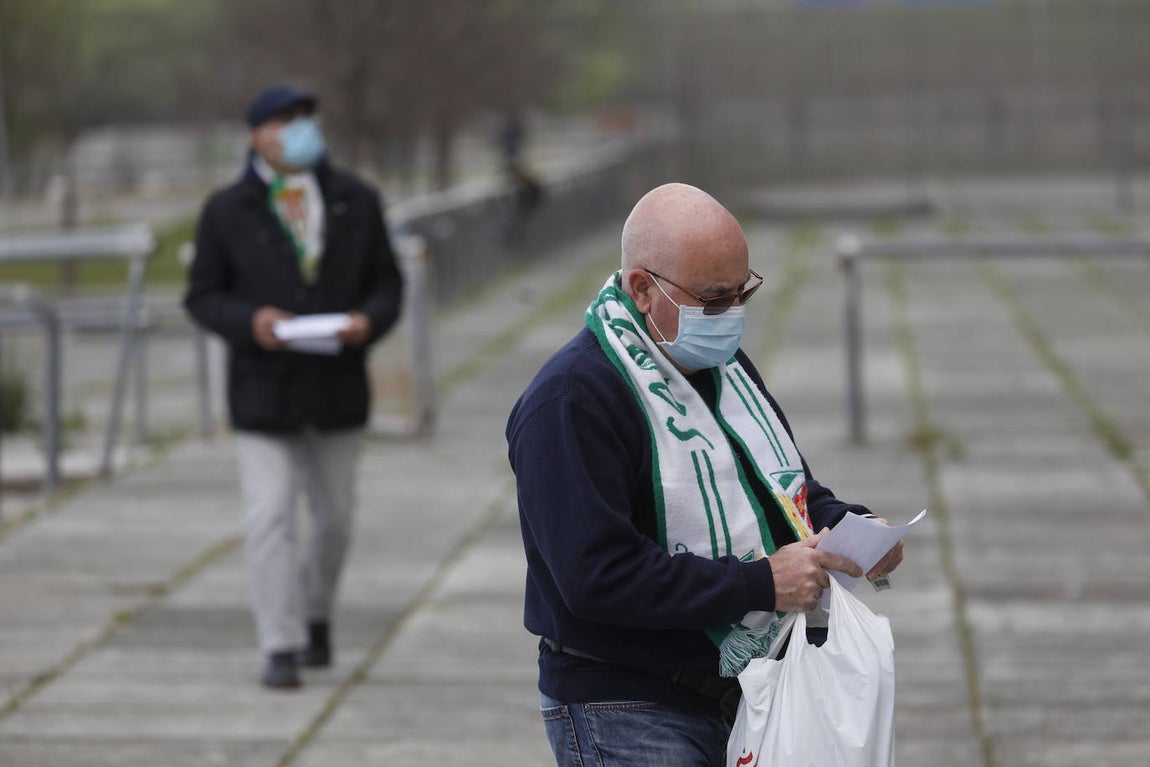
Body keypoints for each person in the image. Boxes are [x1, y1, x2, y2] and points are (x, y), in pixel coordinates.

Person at [505, 182, 903, 766]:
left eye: (744, 293)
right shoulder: (570, 401)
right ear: (643, 288)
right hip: (625, 705)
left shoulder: (716, 363)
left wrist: (855, 531)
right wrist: (760, 584)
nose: (733, 316)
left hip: (743, 688)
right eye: (714, 300)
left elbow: (783, 491)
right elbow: (595, 577)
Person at [184, 85, 404, 690]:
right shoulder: (226, 210)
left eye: (307, 118)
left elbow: (388, 285)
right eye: (286, 121)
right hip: (263, 390)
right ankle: (279, 644)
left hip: (336, 387)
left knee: (334, 519)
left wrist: (367, 322)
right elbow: (203, 295)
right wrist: (249, 324)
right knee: (270, 517)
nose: (301, 129)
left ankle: (314, 615)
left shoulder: (355, 199)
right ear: (255, 134)